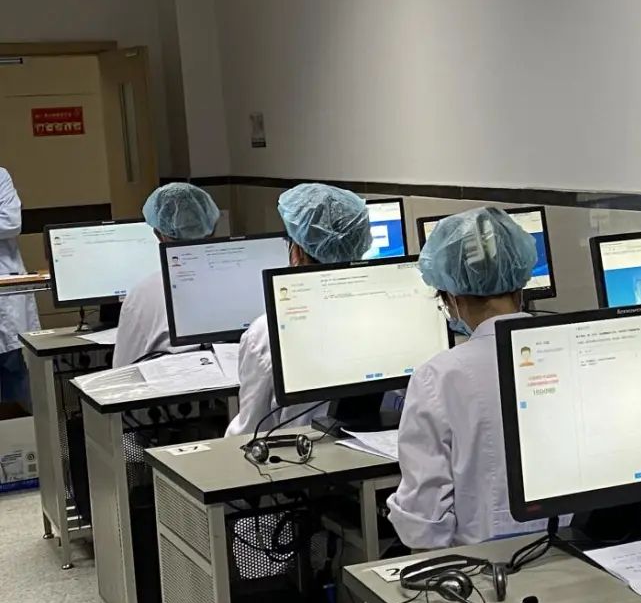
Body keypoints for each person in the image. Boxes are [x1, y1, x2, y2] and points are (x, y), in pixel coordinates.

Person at [387, 207, 548, 549]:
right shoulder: (569, 348)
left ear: (452, 297)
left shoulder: (438, 377)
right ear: (521, 282)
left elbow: (423, 524)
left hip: (481, 566)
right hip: (575, 553)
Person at [225, 183, 371, 437]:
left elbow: (250, 430)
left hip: (301, 453)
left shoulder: (268, 331)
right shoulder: (386, 311)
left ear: (298, 253)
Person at [113, 183, 220, 367]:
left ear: (158, 234)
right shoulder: (247, 278)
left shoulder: (142, 294)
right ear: (213, 228)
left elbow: (123, 369)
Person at [0, 168, 40, 412]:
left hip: (5, 292)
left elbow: (10, 222)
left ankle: (34, 432)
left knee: (15, 371)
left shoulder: (0, 176)